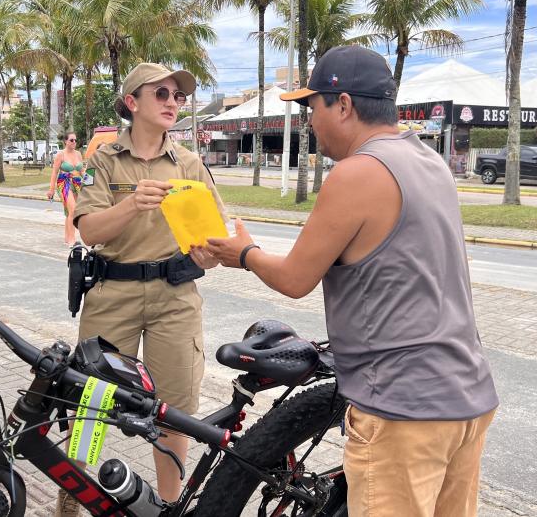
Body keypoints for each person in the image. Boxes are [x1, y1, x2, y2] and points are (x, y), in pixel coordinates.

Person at [205, 46, 499, 517]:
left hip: (404, 409)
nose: (310, 122)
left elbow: (296, 277)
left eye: (312, 107)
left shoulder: (358, 172)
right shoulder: (429, 163)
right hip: (467, 395)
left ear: (342, 105)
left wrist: (243, 253)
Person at [56, 63, 223, 516]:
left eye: (178, 96)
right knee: (90, 406)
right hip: (114, 293)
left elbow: (214, 235)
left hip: (175, 297)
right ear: (132, 102)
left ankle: (168, 507)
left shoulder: (189, 163)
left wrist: (210, 253)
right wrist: (132, 204)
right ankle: (69, 505)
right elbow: (89, 230)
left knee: (174, 411)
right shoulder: (104, 160)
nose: (172, 102)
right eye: (161, 93)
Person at [47, 131, 84, 246]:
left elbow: (82, 171)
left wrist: (90, 181)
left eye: (75, 140)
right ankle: (72, 240)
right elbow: (54, 172)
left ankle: (67, 238)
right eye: (71, 140)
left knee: (70, 212)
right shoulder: (60, 155)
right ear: (65, 141)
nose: (74, 142)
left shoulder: (78, 154)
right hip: (64, 183)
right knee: (72, 209)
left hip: (77, 183)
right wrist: (51, 189)